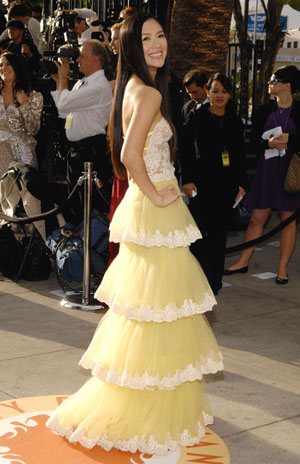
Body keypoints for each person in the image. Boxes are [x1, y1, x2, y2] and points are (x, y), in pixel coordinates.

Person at [46, 14, 223, 454]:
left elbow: (131, 151)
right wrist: (160, 195)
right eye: (145, 39)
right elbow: (128, 154)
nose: (157, 44)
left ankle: (152, 399)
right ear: (130, 48)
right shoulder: (145, 93)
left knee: (153, 312)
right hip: (156, 209)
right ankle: (149, 407)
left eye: (160, 35)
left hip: (150, 208)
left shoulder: (134, 88)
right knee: (163, 311)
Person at [224, 65, 300, 284]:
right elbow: (254, 140)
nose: (270, 84)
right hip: (267, 169)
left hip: (290, 170)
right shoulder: (264, 109)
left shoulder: (299, 110)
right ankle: (242, 261)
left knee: (288, 219)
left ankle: (282, 269)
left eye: (274, 80)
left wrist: (290, 140)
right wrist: (268, 142)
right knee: (257, 217)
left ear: (287, 85)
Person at [181, 73, 246, 294]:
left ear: (230, 95)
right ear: (208, 92)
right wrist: (187, 180)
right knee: (198, 235)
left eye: (224, 91)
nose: (219, 96)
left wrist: (241, 183)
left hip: (226, 186)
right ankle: (194, 280)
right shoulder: (197, 118)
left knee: (219, 237)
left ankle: (213, 283)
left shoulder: (234, 120)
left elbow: (239, 154)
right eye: (215, 91)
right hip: (201, 184)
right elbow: (186, 151)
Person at [51, 39, 113, 220]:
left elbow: (64, 103)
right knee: (78, 205)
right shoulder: (82, 83)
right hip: (76, 150)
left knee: (93, 203)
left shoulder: (99, 86)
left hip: (91, 149)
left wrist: (63, 79)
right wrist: (58, 82)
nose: (77, 60)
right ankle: (82, 240)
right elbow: (63, 111)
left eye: (82, 56)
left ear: (96, 60)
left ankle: (96, 243)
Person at [0, 52, 43, 177]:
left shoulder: (33, 96)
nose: (3, 68)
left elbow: (34, 129)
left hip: (22, 155)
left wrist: (24, 104)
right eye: (1, 65)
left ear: (17, 67)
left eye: (8, 64)